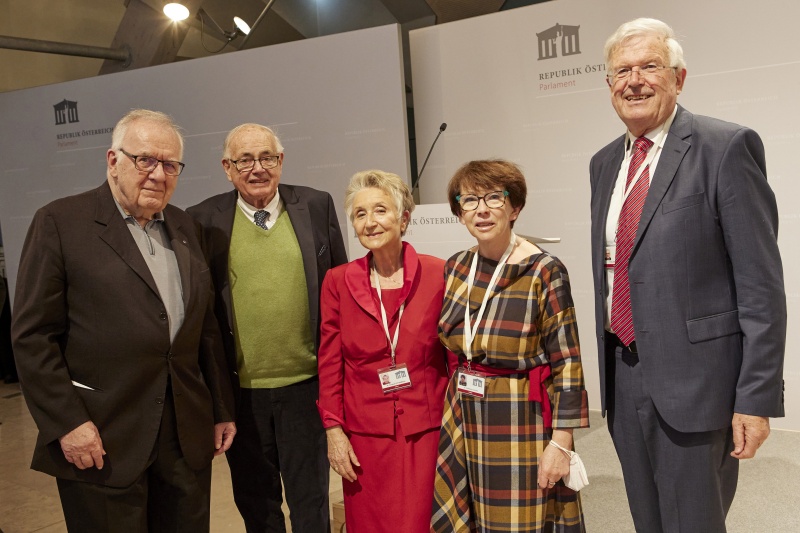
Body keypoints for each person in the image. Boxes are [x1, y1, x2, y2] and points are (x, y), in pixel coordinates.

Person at [589, 18, 786, 533]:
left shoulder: (725, 147)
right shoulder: (603, 163)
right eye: (621, 71)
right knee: (647, 521)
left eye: (649, 67)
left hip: (699, 384)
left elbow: (761, 286)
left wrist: (756, 397)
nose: (634, 81)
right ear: (608, 85)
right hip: (624, 377)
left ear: (679, 77)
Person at [11, 109, 236, 532]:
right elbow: (32, 337)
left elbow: (203, 328)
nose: (158, 174)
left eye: (170, 165)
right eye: (145, 160)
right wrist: (68, 423)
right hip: (102, 437)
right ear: (113, 161)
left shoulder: (186, 226)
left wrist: (220, 408)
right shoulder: (60, 223)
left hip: (184, 438)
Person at [187, 123, 348, 532]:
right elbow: (199, 313)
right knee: (258, 508)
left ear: (281, 161)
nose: (257, 168)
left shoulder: (315, 205)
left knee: (311, 504)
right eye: (245, 159)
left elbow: (340, 292)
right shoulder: (202, 220)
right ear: (227, 167)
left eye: (267, 158)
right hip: (241, 397)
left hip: (306, 390)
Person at [432, 160, 589, 532]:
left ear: (514, 207)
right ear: (459, 212)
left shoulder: (544, 270)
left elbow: (568, 362)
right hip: (463, 412)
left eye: (493, 198)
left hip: (520, 416)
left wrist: (562, 443)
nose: (481, 209)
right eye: (469, 200)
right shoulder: (456, 267)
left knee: (517, 522)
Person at [317, 170, 456, 532]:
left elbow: (455, 358)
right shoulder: (337, 281)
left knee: (424, 523)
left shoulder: (439, 273)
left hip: (426, 431)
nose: (370, 222)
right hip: (364, 437)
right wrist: (334, 430)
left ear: (404, 217)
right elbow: (330, 362)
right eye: (360, 214)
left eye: (380, 210)